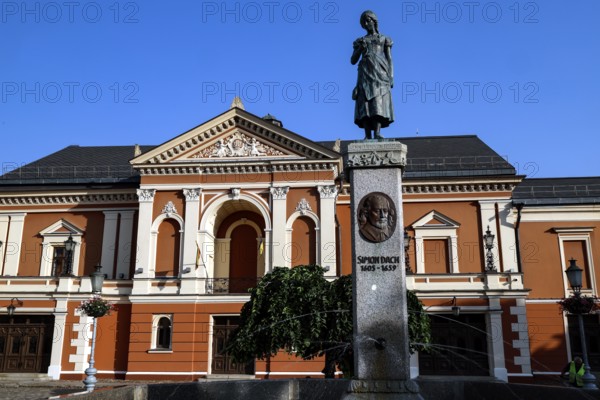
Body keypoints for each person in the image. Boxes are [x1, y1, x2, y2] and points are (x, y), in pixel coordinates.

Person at [351, 10, 394, 140]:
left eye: (368, 21)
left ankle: (377, 133)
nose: (366, 24)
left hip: (380, 74)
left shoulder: (384, 39)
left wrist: (391, 76)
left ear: (374, 21)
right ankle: (367, 135)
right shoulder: (360, 41)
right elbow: (353, 60)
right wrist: (360, 49)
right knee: (364, 102)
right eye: (363, 22)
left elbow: (389, 58)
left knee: (377, 102)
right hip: (364, 74)